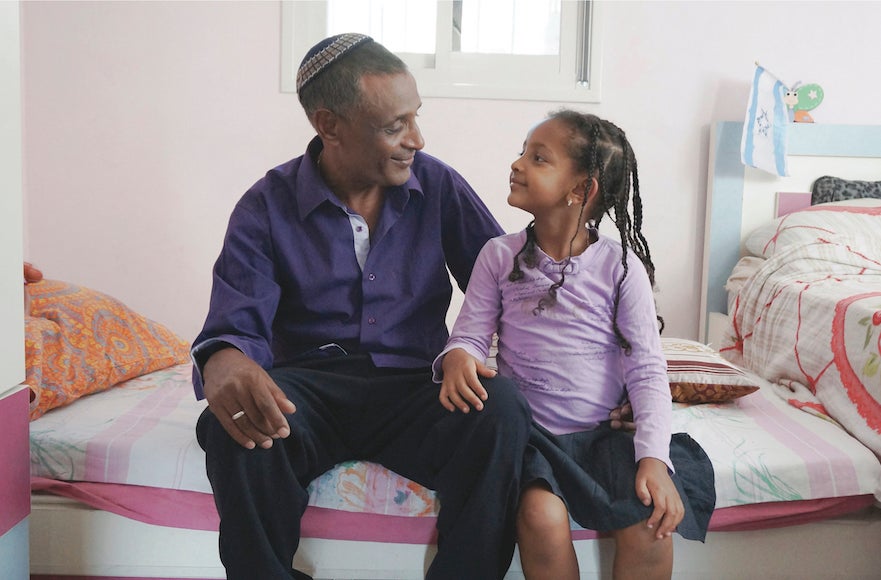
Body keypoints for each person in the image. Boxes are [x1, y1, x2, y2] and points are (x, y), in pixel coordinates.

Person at [191, 33, 532, 580]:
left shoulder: (437, 185)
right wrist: (223, 362)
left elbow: (507, 291)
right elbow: (235, 327)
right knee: (230, 426)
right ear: (329, 126)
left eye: (415, 117)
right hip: (307, 393)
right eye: (395, 126)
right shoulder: (264, 205)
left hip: (416, 385)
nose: (416, 139)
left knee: (501, 409)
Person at [435, 111, 716, 579]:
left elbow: (646, 367)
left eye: (538, 158)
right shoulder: (498, 256)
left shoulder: (619, 268)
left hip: (603, 437)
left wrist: (652, 457)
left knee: (650, 523)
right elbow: (470, 331)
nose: (518, 163)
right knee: (539, 519)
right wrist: (459, 356)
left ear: (580, 189)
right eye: (523, 151)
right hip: (533, 440)